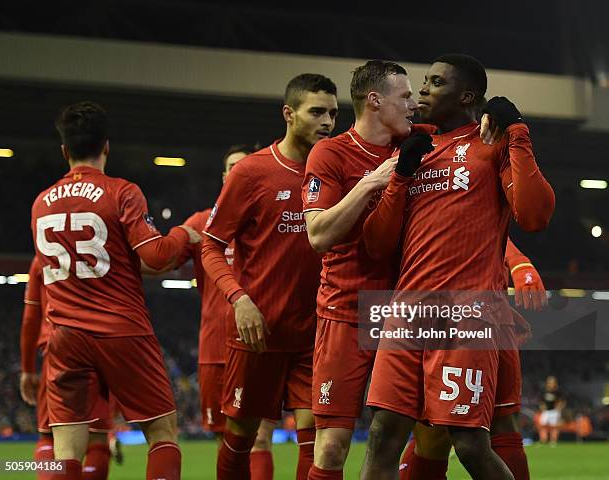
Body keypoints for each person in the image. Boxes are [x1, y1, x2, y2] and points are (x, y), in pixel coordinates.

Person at [360, 53, 555, 479]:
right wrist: (399, 176)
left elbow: (535, 215)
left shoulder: (492, 145)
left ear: (466, 95)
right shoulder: (414, 149)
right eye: (423, 81)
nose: (423, 90)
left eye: (435, 82)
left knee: (469, 444)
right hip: (408, 311)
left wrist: (518, 132)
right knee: (383, 433)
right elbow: (376, 245)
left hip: (467, 312)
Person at [31, 101, 200, 480]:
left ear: (64, 151)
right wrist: (182, 235)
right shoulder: (121, 192)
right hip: (121, 330)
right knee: (161, 432)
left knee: (66, 449)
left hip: (65, 335)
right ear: (106, 146)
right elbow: (155, 257)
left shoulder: (40, 203)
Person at [201, 73, 338, 480]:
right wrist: (239, 299)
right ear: (288, 114)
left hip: (315, 333)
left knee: (320, 443)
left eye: (332, 112)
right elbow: (211, 246)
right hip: (257, 332)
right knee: (240, 437)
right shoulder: (252, 172)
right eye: (316, 112)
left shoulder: (336, 171)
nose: (327, 121)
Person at [301, 60, 419, 480]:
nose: (413, 104)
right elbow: (317, 235)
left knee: (418, 437)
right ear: (375, 100)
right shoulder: (330, 153)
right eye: (404, 97)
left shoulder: (419, 148)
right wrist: (370, 182)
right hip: (346, 312)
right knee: (331, 447)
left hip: (405, 316)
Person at [150, 143, 278, 479]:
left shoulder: (270, 217)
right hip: (216, 347)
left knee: (260, 437)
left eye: (244, 165)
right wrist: (177, 235)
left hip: (260, 342)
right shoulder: (200, 223)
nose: (238, 171)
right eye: (232, 167)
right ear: (225, 177)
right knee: (228, 440)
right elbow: (159, 262)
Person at [398, 238, 547, 480]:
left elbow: (480, 214)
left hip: (484, 306)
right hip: (431, 303)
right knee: (432, 435)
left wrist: (518, 261)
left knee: (499, 424)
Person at [20, 255, 123, 480]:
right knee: (97, 441)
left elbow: (30, 318)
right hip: (101, 348)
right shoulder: (105, 251)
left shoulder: (43, 256)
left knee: (49, 436)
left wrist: (27, 369)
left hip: (58, 349)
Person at [539, 375, 565, 445]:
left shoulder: (558, 392)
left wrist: (559, 408)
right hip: (546, 411)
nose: (551, 384)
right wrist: (542, 407)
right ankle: (543, 440)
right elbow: (541, 401)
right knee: (542, 426)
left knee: (554, 427)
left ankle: (553, 441)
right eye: (549, 382)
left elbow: (562, 401)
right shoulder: (543, 391)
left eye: (552, 382)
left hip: (554, 411)